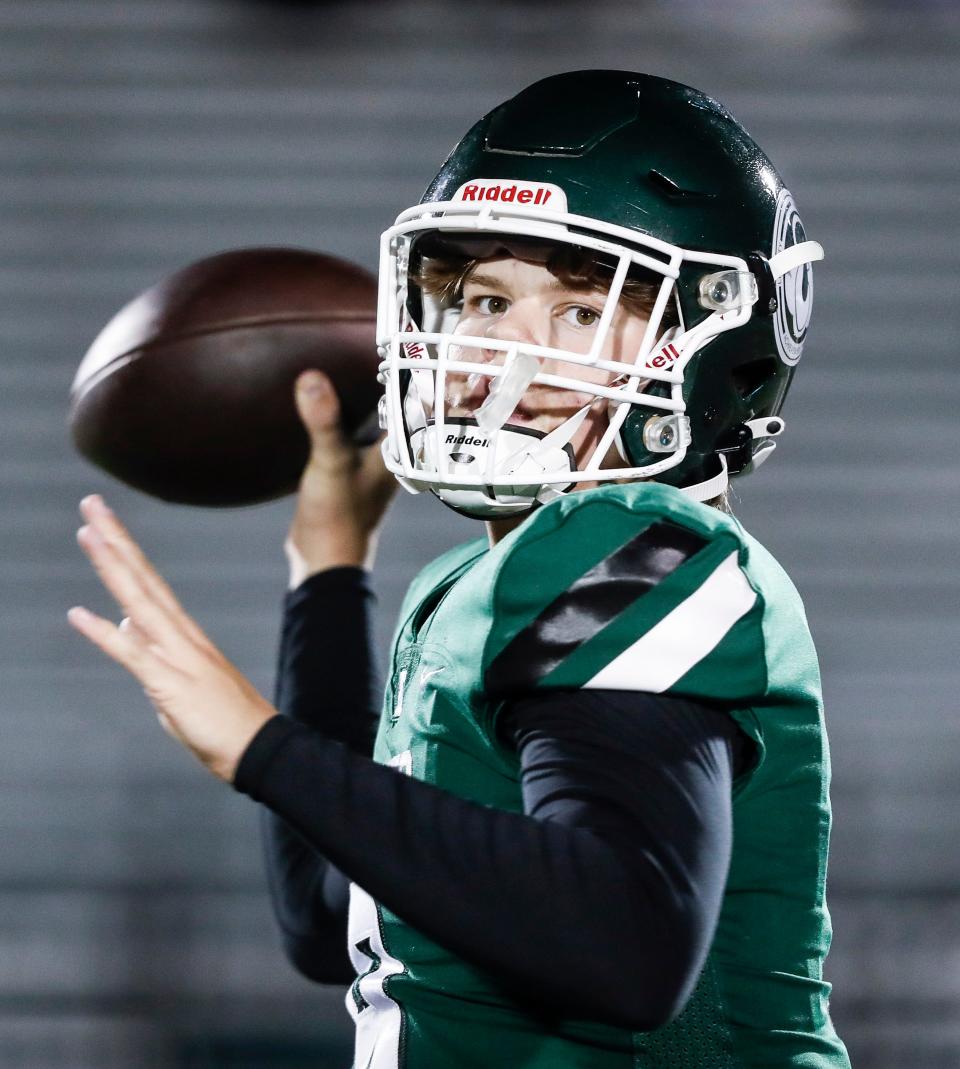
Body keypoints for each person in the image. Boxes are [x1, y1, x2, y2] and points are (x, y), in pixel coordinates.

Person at [68, 71, 852, 1068]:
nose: (505, 353)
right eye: (484, 298)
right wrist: (329, 572)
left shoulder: (642, 544)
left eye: (577, 310)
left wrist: (264, 746)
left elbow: (625, 946)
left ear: (715, 340)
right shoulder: (469, 585)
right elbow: (328, 916)